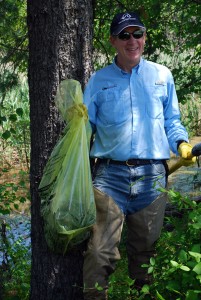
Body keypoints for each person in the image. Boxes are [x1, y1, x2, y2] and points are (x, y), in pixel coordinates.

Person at [82, 12, 195, 300]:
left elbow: (172, 121)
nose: (132, 40)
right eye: (124, 35)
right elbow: (85, 130)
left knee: (146, 258)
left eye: (137, 33)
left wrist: (181, 143)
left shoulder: (161, 75)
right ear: (113, 41)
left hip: (153, 178)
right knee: (99, 254)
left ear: (144, 38)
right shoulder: (98, 81)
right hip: (109, 177)